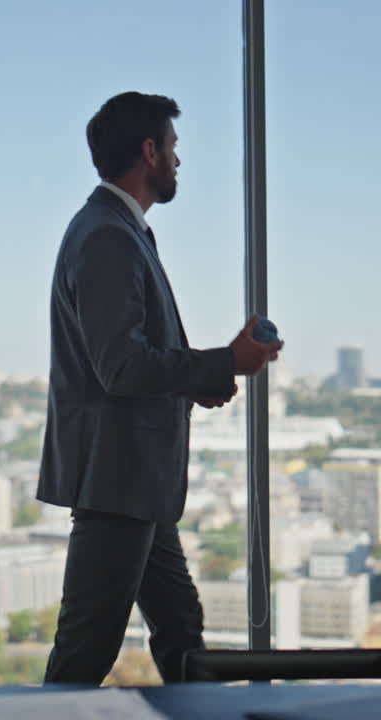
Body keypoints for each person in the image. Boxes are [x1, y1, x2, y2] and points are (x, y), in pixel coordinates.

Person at [37, 91, 283, 684]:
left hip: (137, 481)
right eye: (173, 147)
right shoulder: (107, 237)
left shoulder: (119, 230)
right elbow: (119, 366)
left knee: (180, 626)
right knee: (86, 651)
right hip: (120, 481)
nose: (178, 160)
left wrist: (205, 378)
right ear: (149, 151)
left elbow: (128, 361)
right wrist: (224, 362)